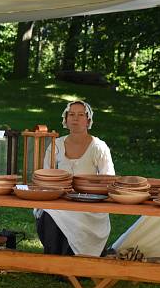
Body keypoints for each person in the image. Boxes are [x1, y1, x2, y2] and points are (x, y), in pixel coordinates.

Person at [35, 100, 115, 256]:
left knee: (70, 213)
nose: (75, 118)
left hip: (89, 203)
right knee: (48, 211)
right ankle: (54, 261)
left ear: (88, 120)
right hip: (59, 200)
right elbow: (45, 175)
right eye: (71, 114)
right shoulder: (55, 145)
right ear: (65, 119)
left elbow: (109, 180)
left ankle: (76, 263)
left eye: (80, 115)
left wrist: (90, 190)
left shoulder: (98, 147)